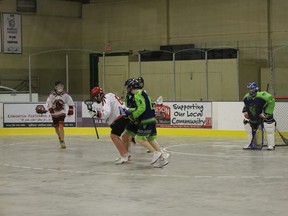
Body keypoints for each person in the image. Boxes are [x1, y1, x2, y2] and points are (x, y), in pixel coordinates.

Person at [121, 79, 169, 168]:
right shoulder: (144, 93)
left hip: (145, 120)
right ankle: (162, 159)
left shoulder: (137, 94)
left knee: (139, 138)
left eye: (128, 87)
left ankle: (156, 153)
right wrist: (129, 110)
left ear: (131, 87)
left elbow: (141, 108)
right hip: (152, 119)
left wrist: (132, 114)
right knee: (151, 139)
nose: (127, 88)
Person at [89, 86, 131, 164]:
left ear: (99, 95)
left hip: (121, 117)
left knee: (114, 136)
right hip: (125, 115)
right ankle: (126, 154)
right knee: (124, 136)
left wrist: (96, 113)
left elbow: (106, 113)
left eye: (95, 97)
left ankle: (124, 155)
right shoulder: (110, 95)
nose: (95, 99)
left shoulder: (105, 98)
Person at [242, 82, 276, 150]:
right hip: (254, 116)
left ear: (256, 89)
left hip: (264, 116)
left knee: (269, 128)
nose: (250, 90)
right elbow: (246, 105)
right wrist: (245, 112)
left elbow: (272, 102)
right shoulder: (246, 97)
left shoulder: (264, 95)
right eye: (249, 89)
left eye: (252, 89)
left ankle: (271, 145)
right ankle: (251, 143)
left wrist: (266, 113)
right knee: (249, 128)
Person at [46, 81, 74, 149]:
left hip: (62, 112)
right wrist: (50, 108)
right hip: (54, 113)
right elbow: (48, 102)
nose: (60, 87)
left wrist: (71, 109)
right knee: (56, 127)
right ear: (55, 87)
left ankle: (62, 141)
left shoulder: (65, 94)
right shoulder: (52, 94)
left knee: (61, 126)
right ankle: (59, 136)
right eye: (58, 86)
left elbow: (70, 101)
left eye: (61, 86)